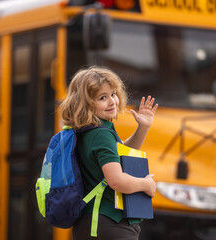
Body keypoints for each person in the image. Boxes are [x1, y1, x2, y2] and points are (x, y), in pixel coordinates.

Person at [60, 66, 158, 240]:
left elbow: (120, 154)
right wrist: (146, 185)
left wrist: (143, 127)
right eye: (102, 98)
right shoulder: (101, 134)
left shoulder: (84, 131)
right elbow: (116, 181)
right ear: (87, 103)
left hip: (88, 223)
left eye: (113, 94)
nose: (112, 101)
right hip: (109, 223)